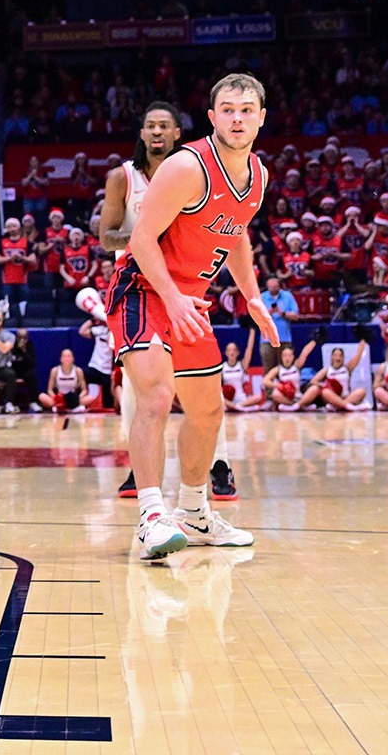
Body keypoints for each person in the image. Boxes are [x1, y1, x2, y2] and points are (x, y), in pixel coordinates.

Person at [108, 75, 276, 560]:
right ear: (212, 117)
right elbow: (140, 241)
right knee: (157, 397)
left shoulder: (258, 177)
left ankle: (195, 512)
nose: (238, 118)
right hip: (142, 288)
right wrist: (173, 297)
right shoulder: (187, 167)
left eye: (247, 110)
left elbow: (238, 234)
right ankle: (151, 516)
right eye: (228, 109)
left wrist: (253, 297)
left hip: (187, 299)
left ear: (261, 117)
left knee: (207, 411)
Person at [102, 102, 241, 502]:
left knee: (204, 390)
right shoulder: (122, 177)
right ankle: (140, 473)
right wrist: (145, 237)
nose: (157, 132)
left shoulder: (194, 173)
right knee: (141, 389)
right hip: (138, 288)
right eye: (150, 126)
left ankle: (219, 466)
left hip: (184, 289)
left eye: (165, 126)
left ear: (179, 133)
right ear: (142, 133)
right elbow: (106, 235)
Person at [40, 348, 97, 412]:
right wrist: (56, 398)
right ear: (61, 359)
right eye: (64, 356)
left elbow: (84, 390)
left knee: (91, 397)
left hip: (73, 398)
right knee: (42, 396)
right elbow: (49, 390)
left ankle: (71, 407)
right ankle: (60, 407)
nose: (66, 358)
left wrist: (78, 398)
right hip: (60, 398)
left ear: (73, 359)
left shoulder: (78, 371)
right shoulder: (55, 370)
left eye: (69, 356)